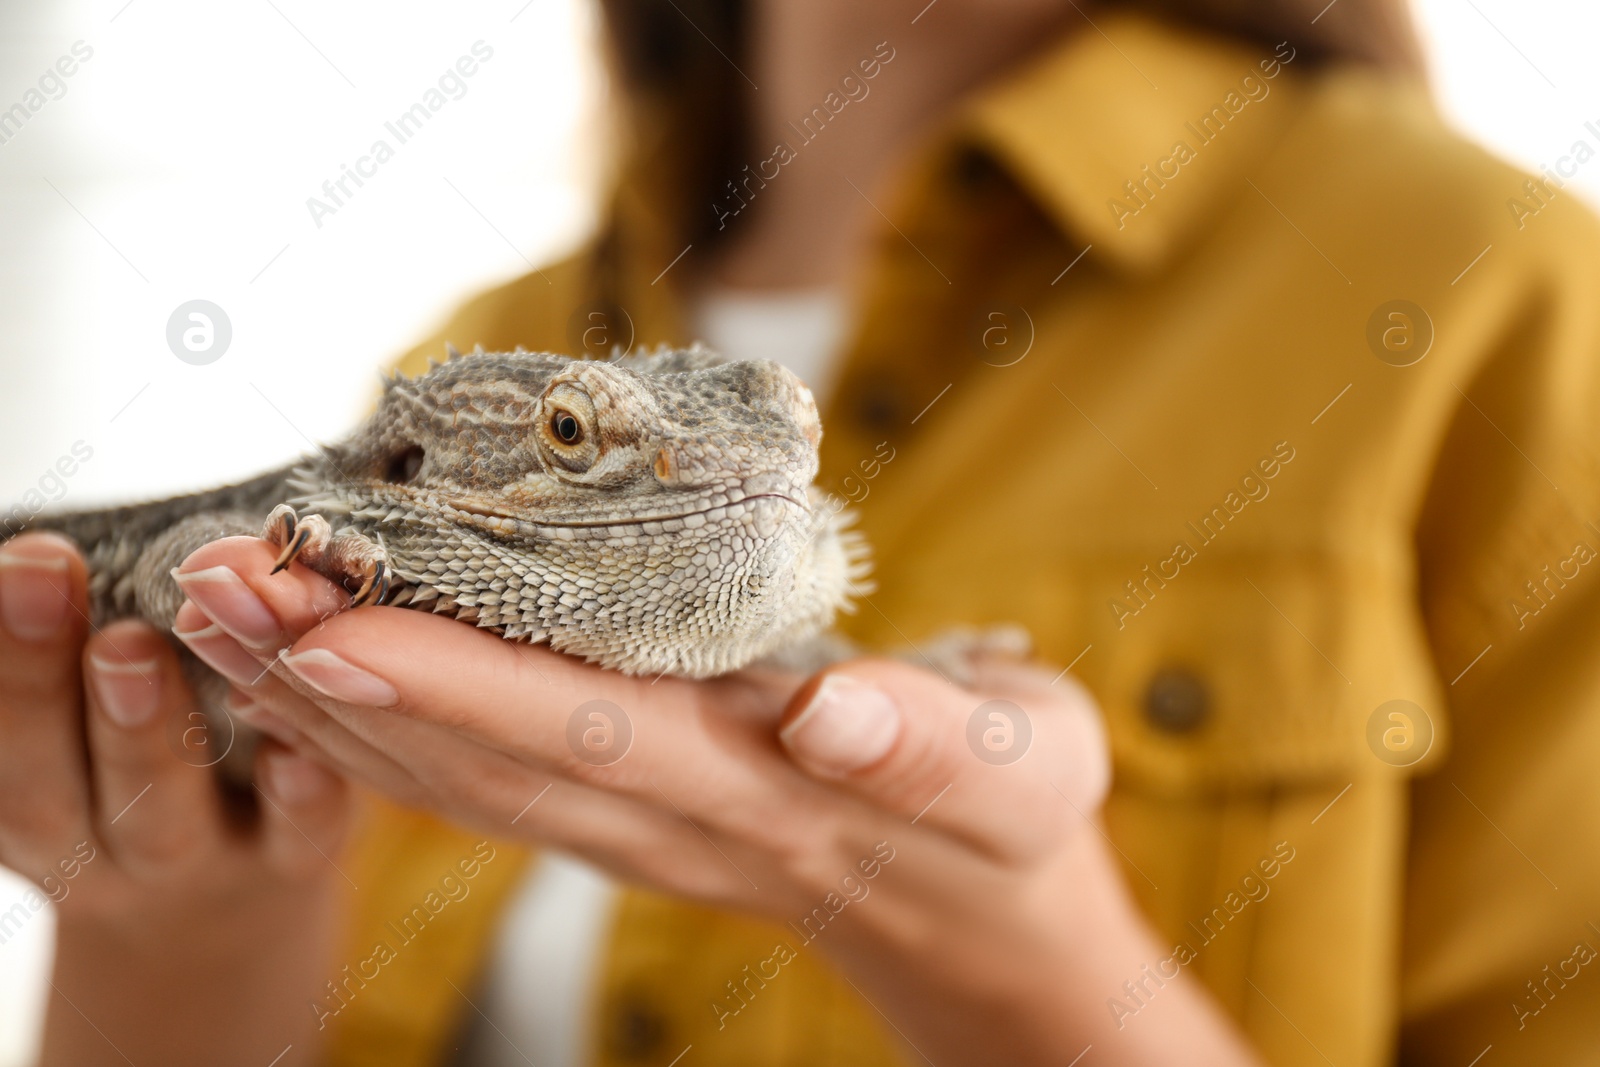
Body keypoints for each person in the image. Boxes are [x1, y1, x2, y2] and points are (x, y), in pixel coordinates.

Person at [3, 0, 1598, 1063]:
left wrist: (1002, 957)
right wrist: (184, 905)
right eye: (579, 439)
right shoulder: (478, 360)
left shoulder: (1492, 291)